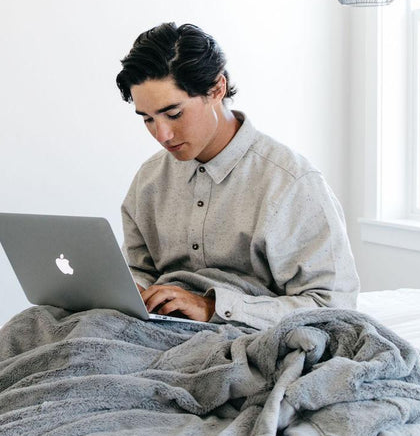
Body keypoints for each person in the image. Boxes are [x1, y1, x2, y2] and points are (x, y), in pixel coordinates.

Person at [116, 22, 360, 329]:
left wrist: (212, 307)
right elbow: (138, 268)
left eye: (174, 113)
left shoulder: (290, 182)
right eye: (148, 119)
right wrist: (131, 291)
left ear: (217, 89)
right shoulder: (150, 178)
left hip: (246, 337)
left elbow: (333, 308)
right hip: (158, 331)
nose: (161, 134)